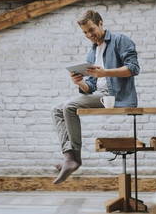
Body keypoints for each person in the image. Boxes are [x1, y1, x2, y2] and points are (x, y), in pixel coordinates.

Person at [51, 10, 140, 184]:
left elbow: (134, 68)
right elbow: (90, 87)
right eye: (85, 32)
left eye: (91, 30)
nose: (89, 35)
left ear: (100, 23)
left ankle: (74, 159)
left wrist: (105, 72)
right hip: (101, 97)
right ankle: (69, 156)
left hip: (119, 98)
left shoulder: (121, 41)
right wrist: (80, 83)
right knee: (56, 109)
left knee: (69, 106)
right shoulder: (92, 53)